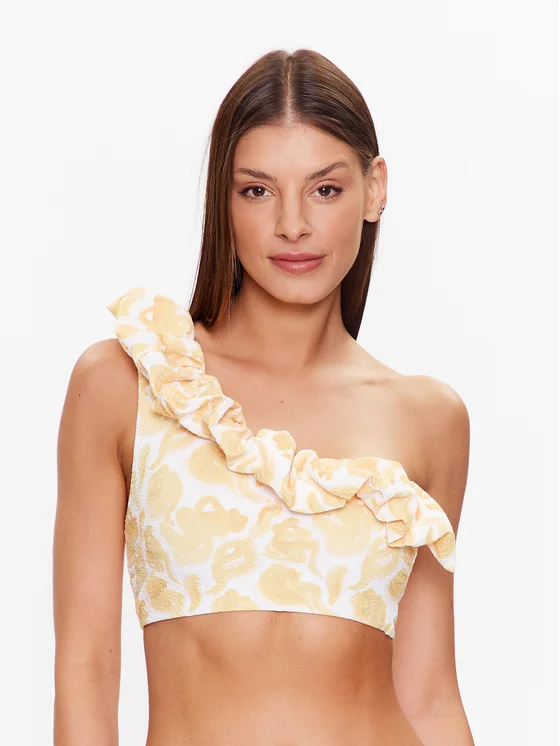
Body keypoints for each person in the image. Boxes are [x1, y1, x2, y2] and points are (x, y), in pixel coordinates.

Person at [53, 48, 474, 746]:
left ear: (375, 190)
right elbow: (86, 671)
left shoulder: (430, 418)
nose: (292, 225)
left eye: (325, 189)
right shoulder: (127, 383)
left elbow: (429, 695)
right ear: (221, 198)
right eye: (257, 191)